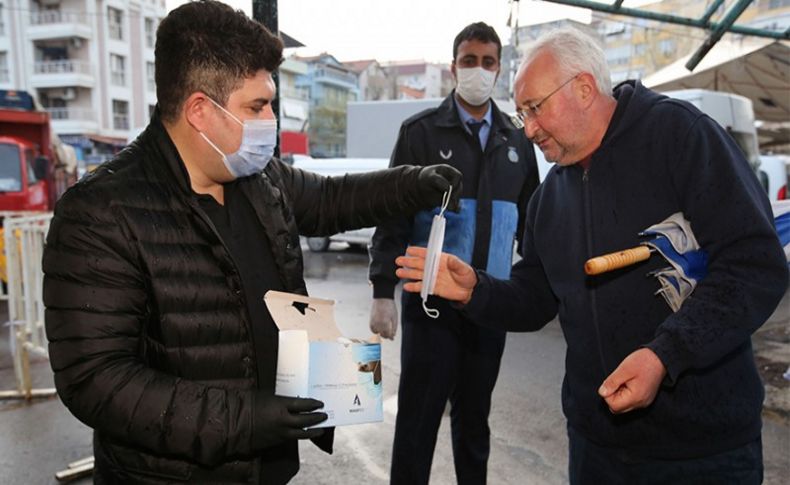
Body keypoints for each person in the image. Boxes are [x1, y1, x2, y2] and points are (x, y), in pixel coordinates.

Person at [41, 2, 461, 483]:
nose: (270, 121)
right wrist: (243, 420)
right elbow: (97, 380)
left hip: (266, 465)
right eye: (256, 107)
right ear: (200, 110)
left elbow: (331, 199)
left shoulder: (255, 175)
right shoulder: (100, 213)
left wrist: (412, 184)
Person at [394, 27, 788, 484]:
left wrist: (665, 355)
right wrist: (475, 290)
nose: (530, 129)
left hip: (701, 453)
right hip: (596, 449)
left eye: (535, 109)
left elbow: (754, 264)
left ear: (583, 88)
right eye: (522, 115)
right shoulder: (549, 198)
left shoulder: (681, 136)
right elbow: (536, 295)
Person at [368, 22, 539, 485]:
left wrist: (547, 286)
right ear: (452, 68)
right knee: (418, 423)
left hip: (490, 306)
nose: (478, 70)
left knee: (474, 424)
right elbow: (392, 215)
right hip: (432, 308)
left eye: (487, 62)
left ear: (499, 70)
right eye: (469, 61)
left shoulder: (518, 141)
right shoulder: (420, 134)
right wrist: (383, 289)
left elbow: (534, 226)